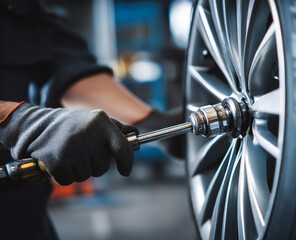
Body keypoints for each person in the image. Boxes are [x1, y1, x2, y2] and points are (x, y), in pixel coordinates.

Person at [0, 0, 182, 239]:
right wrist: (21, 124)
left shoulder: (17, 11)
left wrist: (153, 123)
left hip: (29, 221)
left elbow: (63, 67)